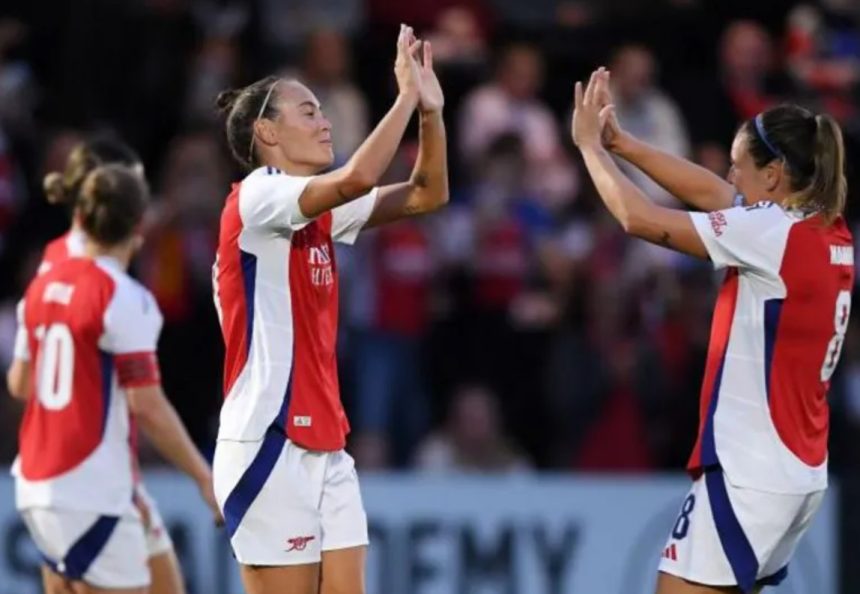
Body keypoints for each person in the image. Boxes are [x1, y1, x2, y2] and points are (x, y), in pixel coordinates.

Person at [571, 68, 852, 594]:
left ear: (773, 177)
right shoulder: (827, 230)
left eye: (738, 167)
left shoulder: (769, 234)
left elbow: (638, 218)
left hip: (753, 470)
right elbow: (717, 195)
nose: (730, 179)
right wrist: (623, 142)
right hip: (797, 468)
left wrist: (590, 149)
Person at [211, 24, 448, 594]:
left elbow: (427, 194)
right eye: (309, 111)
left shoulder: (313, 210)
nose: (325, 122)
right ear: (267, 131)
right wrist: (404, 99)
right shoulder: (259, 196)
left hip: (326, 446)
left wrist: (431, 115)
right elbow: (361, 176)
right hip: (269, 440)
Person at [6, 136, 211, 594]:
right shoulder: (122, 295)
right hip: (89, 480)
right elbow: (147, 404)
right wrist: (205, 478)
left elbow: (21, 383)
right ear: (139, 224)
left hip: (56, 476)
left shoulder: (49, 270)